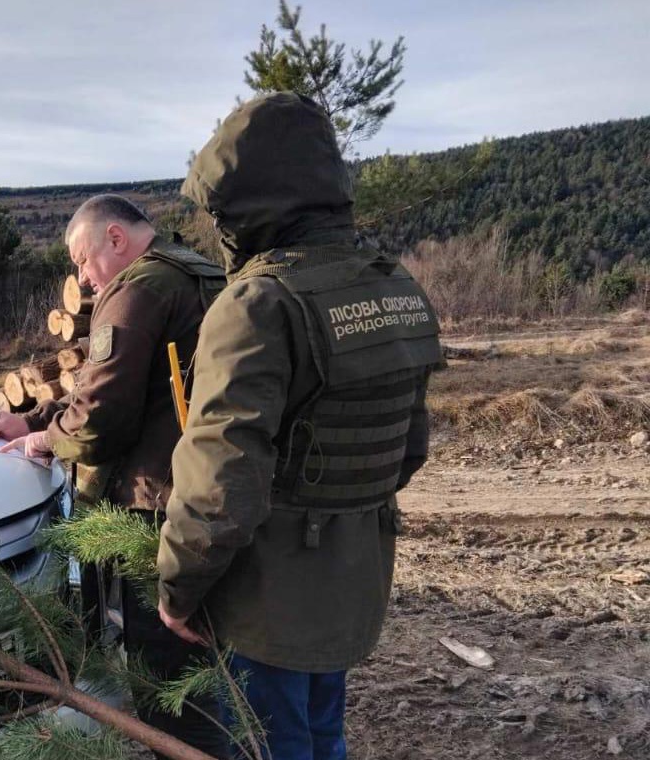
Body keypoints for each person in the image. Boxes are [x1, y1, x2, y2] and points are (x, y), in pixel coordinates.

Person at [155, 92, 445, 760]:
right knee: (321, 735)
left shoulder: (256, 303)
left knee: (270, 744)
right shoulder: (394, 285)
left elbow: (220, 479)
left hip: (266, 599)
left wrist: (178, 587)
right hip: (351, 578)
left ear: (248, 205)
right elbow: (408, 450)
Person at [0, 193, 230, 758]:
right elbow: (134, 387)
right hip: (208, 494)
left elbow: (102, 415)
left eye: (82, 260)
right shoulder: (198, 271)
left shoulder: (137, 288)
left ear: (116, 238)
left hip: (154, 507)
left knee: (170, 688)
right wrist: (34, 417)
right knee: (207, 665)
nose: (83, 279)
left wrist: (44, 440)